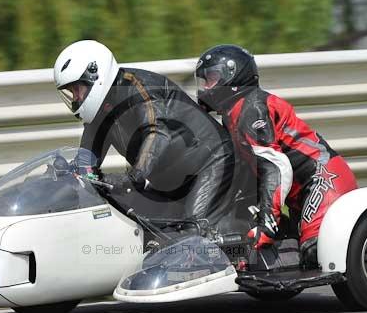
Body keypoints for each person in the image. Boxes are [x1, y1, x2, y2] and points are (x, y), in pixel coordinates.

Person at [194, 44, 358, 268]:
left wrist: (267, 223)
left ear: (232, 76)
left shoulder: (251, 107)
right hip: (297, 193)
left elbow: (275, 167)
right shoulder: (232, 114)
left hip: (324, 179)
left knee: (316, 252)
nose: (205, 88)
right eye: (204, 81)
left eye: (211, 78)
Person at [53, 39, 239, 231]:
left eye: (77, 90)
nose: (75, 98)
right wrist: (63, 175)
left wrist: (133, 178)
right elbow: (87, 162)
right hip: (170, 178)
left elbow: (156, 132)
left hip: (210, 163)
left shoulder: (140, 89)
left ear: (94, 77)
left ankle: (235, 256)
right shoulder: (100, 111)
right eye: (71, 92)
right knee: (138, 231)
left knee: (195, 234)